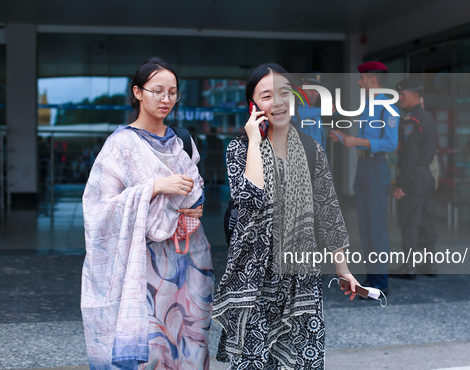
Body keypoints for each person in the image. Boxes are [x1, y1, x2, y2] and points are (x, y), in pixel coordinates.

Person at [213, 63, 358, 369]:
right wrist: (254, 140)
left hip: (301, 282)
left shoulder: (311, 148)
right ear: (253, 105)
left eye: (283, 93)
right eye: (266, 96)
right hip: (254, 282)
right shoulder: (239, 149)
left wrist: (343, 268)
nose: (277, 102)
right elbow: (250, 200)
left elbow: (328, 209)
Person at [81, 57, 214, 370]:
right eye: (157, 91)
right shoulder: (120, 145)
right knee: (151, 346)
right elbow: (97, 207)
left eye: (172, 92)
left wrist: (195, 206)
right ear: (138, 92)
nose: (166, 99)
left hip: (189, 257)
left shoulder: (182, 139)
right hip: (142, 265)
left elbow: (196, 197)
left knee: (189, 343)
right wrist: (154, 187)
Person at [329, 61, 399, 295]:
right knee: (366, 228)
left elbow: (390, 143)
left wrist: (357, 141)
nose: (359, 82)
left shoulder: (387, 107)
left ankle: (380, 283)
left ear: (372, 80)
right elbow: (362, 137)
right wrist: (344, 138)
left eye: (362, 78)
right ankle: (372, 277)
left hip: (376, 167)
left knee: (376, 227)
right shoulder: (370, 105)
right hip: (364, 166)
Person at [392, 77, 438, 279]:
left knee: (410, 222)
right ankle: (429, 266)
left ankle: (409, 267)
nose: (400, 98)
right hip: (426, 176)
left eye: (403, 94)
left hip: (413, 177)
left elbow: (410, 156)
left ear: (416, 96)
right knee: (427, 220)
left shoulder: (411, 120)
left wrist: (400, 185)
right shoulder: (427, 116)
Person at [290, 72, 327, 149]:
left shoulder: (315, 111)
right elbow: (300, 114)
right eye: (310, 89)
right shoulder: (293, 107)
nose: (313, 93)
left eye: (316, 90)